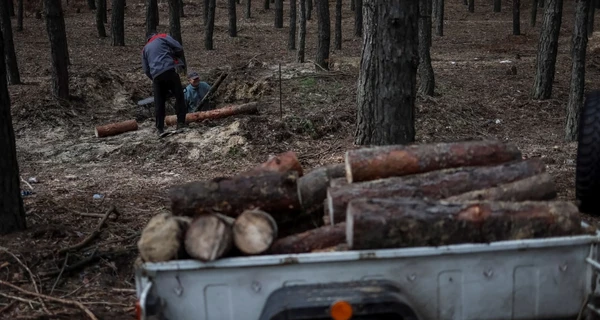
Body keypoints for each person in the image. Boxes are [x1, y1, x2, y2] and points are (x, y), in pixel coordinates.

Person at [141, 32, 187, 136]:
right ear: (155, 34)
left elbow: (146, 69)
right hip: (169, 70)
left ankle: (160, 128)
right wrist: (174, 55)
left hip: (156, 76)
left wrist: (154, 77)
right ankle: (180, 122)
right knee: (179, 96)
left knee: (159, 102)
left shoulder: (144, 49)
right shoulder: (162, 36)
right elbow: (179, 47)